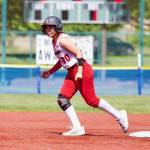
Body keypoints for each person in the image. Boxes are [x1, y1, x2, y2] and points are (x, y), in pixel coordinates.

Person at [41, 16, 129, 136]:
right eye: (46, 28)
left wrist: (80, 71)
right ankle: (77, 128)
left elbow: (78, 53)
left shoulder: (62, 40)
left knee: (91, 100)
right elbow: (62, 60)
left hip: (81, 69)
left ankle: (120, 116)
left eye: (51, 27)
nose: (48, 30)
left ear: (58, 27)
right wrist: (50, 72)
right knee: (63, 99)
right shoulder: (55, 40)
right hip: (72, 71)